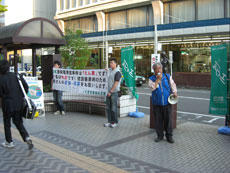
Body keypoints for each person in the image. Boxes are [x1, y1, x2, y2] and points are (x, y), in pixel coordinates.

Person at [0, 60, 33, 149]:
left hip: (7, 104)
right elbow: (26, 87)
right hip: (18, 103)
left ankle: (9, 142)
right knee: (18, 122)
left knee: (7, 123)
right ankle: (26, 137)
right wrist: (20, 95)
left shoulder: (1, 78)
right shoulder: (17, 75)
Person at [149, 62, 177, 144]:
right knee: (158, 120)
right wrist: (157, 79)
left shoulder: (167, 76)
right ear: (154, 70)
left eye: (160, 68)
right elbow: (153, 88)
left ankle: (169, 136)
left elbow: (173, 85)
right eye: (156, 68)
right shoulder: (151, 78)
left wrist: (175, 93)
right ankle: (160, 136)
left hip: (167, 102)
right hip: (156, 103)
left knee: (168, 120)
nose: (159, 70)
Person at [104, 58, 121, 128]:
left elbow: (116, 83)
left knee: (113, 108)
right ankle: (109, 121)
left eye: (112, 63)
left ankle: (114, 122)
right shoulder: (110, 70)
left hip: (114, 92)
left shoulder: (117, 72)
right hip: (108, 92)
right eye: (110, 63)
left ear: (115, 64)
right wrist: (106, 70)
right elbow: (107, 72)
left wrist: (111, 91)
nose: (110, 64)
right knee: (108, 107)